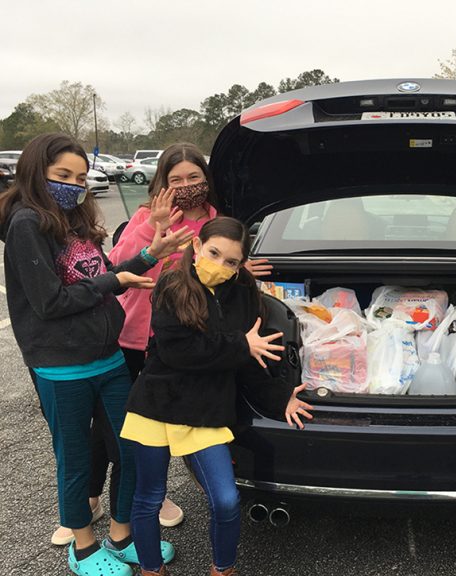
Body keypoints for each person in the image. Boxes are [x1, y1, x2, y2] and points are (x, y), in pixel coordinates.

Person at [46, 144, 275, 543]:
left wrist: (242, 270)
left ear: (206, 180)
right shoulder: (145, 217)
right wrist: (150, 228)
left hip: (191, 339)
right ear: (162, 184)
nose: (187, 187)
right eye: (176, 180)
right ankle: (89, 500)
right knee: (116, 427)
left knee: (186, 414)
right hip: (136, 336)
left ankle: (156, 494)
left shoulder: (218, 223)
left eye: (194, 178)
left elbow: (227, 265)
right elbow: (115, 263)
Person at [0, 133, 188, 575]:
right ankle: (82, 546)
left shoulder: (74, 220)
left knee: (129, 449)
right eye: (62, 175)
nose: (73, 184)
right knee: (76, 456)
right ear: (35, 172)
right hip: (61, 366)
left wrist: (148, 255)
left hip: (109, 359)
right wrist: (116, 283)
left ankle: (121, 534)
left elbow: (103, 273)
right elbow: (49, 302)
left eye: (80, 176)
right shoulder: (27, 223)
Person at [121, 216, 314, 576]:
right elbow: (178, 350)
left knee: (226, 501)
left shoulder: (244, 295)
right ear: (196, 246)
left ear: (242, 264)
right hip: (157, 403)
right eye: (213, 253)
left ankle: (222, 569)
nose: (220, 265)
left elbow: (251, 361)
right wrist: (240, 344)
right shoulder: (171, 284)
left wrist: (281, 395)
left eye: (231, 261)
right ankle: (151, 569)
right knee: (147, 499)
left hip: (206, 408)